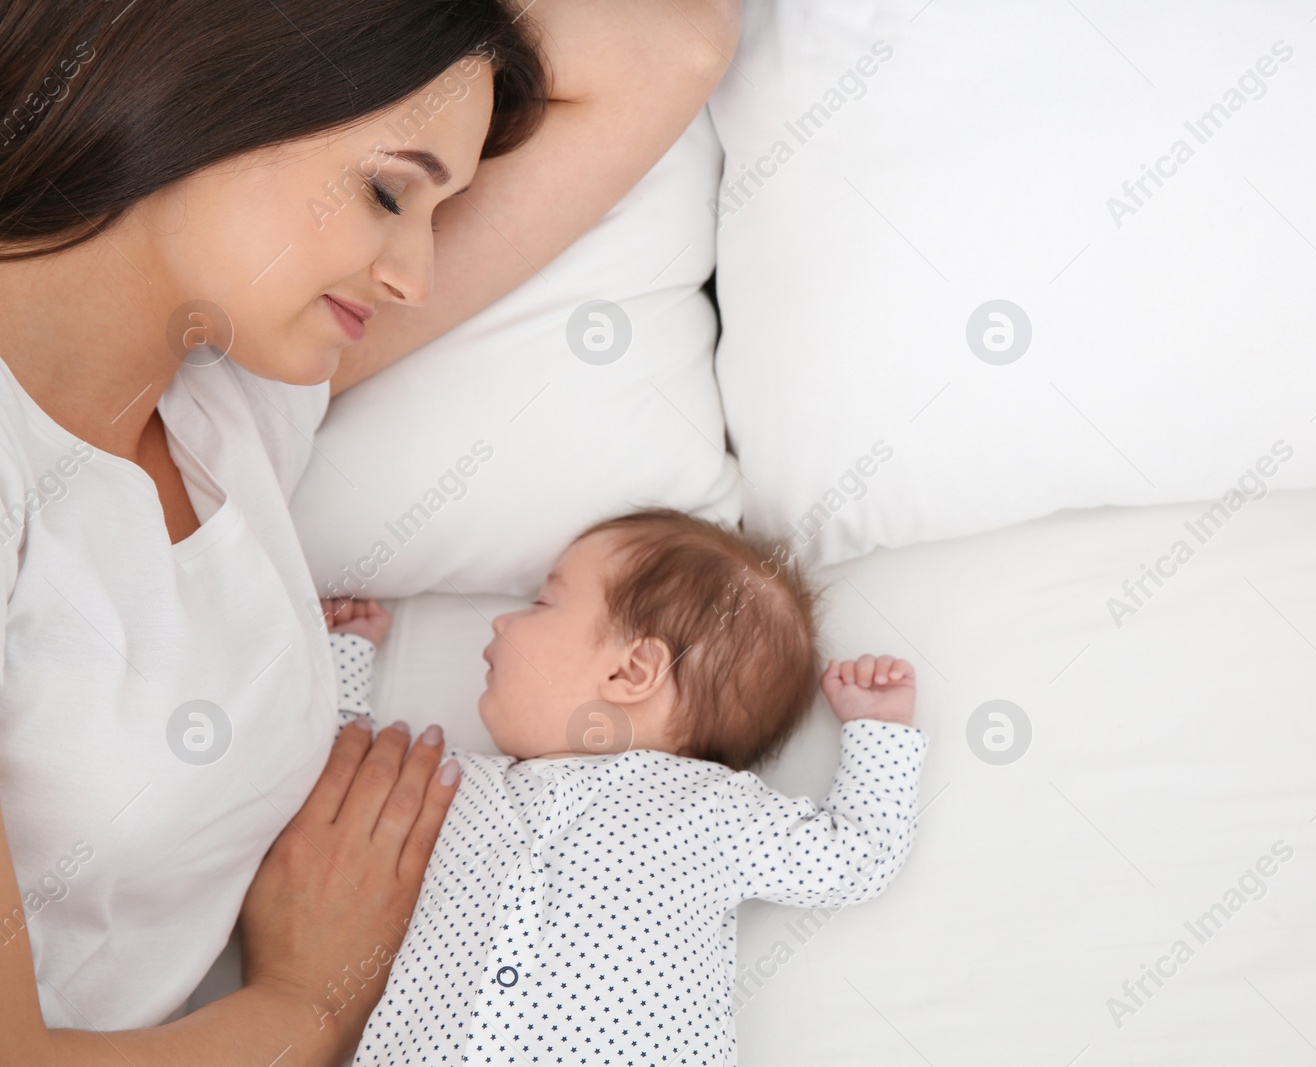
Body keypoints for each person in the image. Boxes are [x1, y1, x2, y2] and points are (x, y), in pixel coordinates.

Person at [0, 1, 738, 1063]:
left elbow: (672, 46)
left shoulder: (224, 408)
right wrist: (304, 1003)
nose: (415, 275)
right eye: (390, 190)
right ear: (217, 70)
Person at [320, 508, 928, 1065]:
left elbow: (854, 858)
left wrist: (878, 733)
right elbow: (343, 775)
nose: (502, 619)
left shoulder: (714, 809)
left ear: (630, 670)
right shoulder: (450, 780)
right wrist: (340, 654)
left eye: (540, 604)